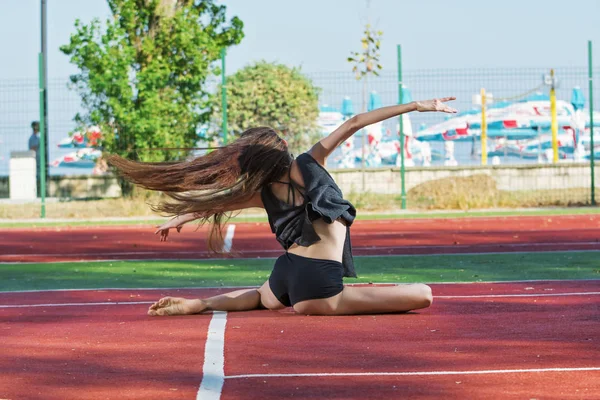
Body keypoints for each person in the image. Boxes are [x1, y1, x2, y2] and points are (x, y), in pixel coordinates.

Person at [107, 97, 457, 316]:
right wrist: (416, 106)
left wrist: (177, 219)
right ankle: (204, 305)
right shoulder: (308, 163)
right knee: (423, 295)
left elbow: (213, 204)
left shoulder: (262, 193)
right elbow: (353, 123)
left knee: (261, 298)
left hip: (285, 273)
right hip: (319, 285)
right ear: (280, 150)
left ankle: (203, 303)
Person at [28, 121, 41, 196]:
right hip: (36, 161)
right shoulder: (33, 138)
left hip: (38, 160)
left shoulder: (36, 137)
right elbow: (32, 149)